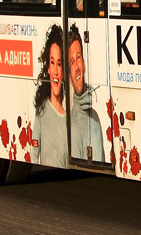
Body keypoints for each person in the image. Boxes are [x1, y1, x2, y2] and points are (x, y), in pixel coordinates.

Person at [67, 26, 104, 162]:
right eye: (72, 62)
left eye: (78, 58)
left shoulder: (95, 119)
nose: (77, 67)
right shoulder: (70, 123)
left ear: (84, 63)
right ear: (68, 74)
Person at [33, 25, 68, 167]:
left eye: (59, 64)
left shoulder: (70, 114)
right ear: (48, 68)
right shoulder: (41, 111)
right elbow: (34, 155)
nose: (55, 71)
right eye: (52, 63)